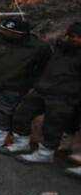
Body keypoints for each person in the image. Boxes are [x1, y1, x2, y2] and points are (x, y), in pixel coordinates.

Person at [0, 18, 52, 150]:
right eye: (4, 29)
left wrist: (32, 85)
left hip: (15, 85)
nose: (4, 33)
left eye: (9, 31)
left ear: (20, 33)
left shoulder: (39, 48)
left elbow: (43, 69)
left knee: (5, 111)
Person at [8, 22, 81, 166]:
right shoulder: (60, 47)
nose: (73, 39)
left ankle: (45, 153)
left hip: (64, 96)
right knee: (22, 113)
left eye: (76, 37)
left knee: (53, 126)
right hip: (42, 89)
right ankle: (21, 142)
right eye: (72, 36)